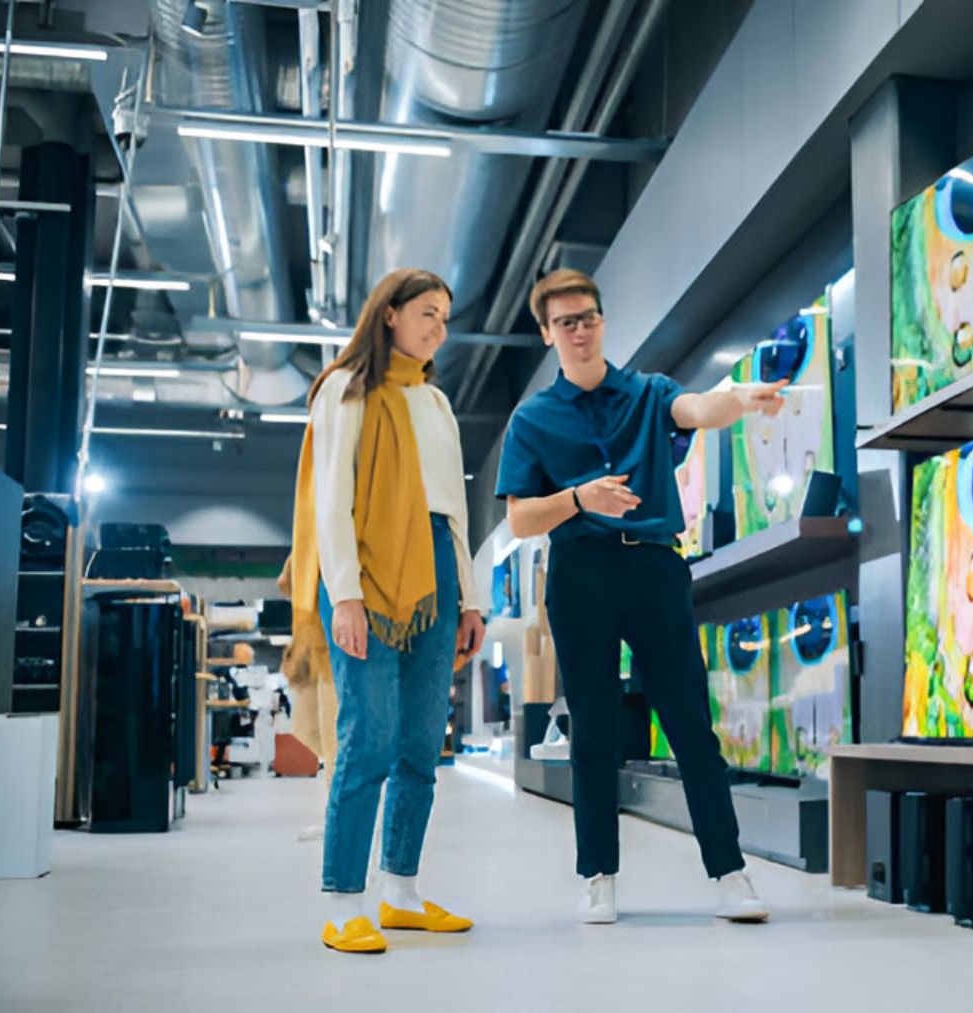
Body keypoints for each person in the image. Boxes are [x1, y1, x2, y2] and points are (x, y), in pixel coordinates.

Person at [498, 268, 785, 925]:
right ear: (547, 333)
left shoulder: (649, 393)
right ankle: (597, 873)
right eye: (565, 321)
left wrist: (738, 396)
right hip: (579, 573)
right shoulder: (533, 419)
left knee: (689, 723)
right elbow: (519, 520)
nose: (579, 330)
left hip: (655, 566)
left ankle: (730, 873)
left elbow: (697, 410)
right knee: (594, 731)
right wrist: (579, 498)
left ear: (602, 320)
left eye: (589, 317)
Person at [289, 267, 488, 954]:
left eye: (444, 316)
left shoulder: (434, 403)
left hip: (434, 570)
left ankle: (399, 892)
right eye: (427, 312)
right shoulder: (344, 390)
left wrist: (471, 597)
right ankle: (344, 900)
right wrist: (343, 591)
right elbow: (329, 501)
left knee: (418, 745)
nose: (438, 327)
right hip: (366, 573)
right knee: (367, 737)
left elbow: (454, 512)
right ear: (389, 316)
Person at [276, 554, 338, 841]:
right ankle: (337, 817)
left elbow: (286, 581)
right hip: (321, 642)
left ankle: (342, 819)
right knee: (331, 737)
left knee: (338, 738)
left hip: (335, 640)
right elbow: (287, 580)